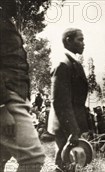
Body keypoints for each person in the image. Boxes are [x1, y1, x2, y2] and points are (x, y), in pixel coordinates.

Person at [0, 1, 46, 171]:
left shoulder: (5, 21)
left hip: (13, 96)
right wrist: (2, 106)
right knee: (33, 159)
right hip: (7, 97)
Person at [48, 28, 94, 170]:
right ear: (68, 40)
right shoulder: (63, 65)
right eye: (80, 39)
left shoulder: (73, 63)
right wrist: (73, 130)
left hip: (71, 124)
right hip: (65, 126)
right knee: (64, 165)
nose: (83, 43)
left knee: (69, 165)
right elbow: (60, 102)